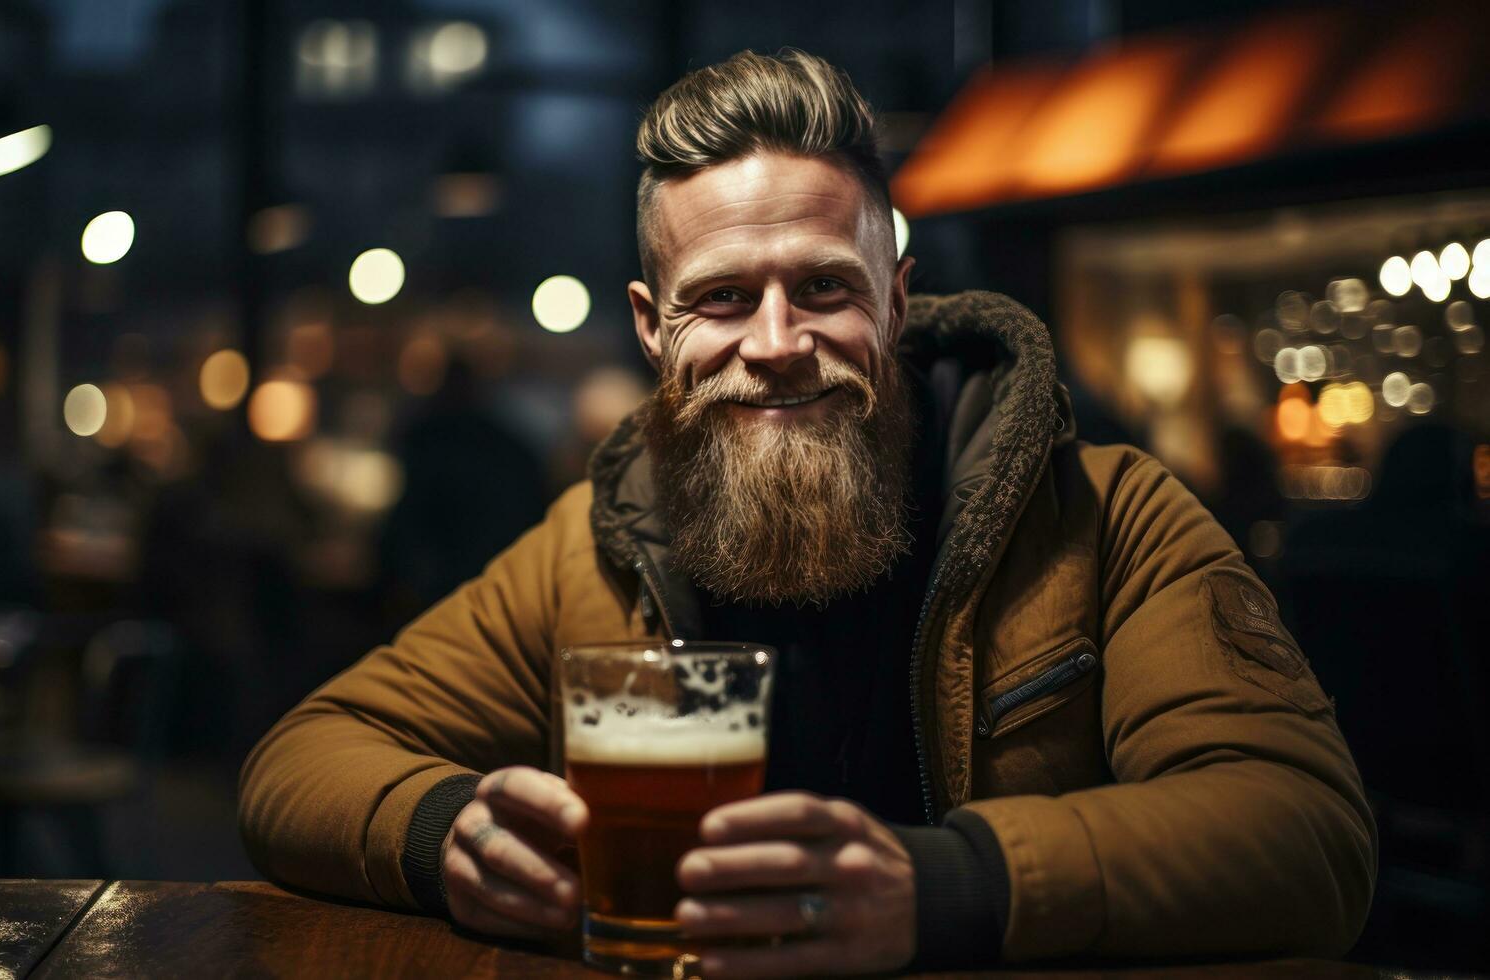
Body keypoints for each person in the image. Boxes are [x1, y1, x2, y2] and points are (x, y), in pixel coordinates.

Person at [240, 51, 1374, 974]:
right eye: (722, 299)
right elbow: (299, 759)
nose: (775, 346)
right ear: (651, 327)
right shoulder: (591, 541)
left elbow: (1306, 833)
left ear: (897, 294)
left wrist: (938, 891)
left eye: (823, 288)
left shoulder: (1108, 516)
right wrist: (449, 835)